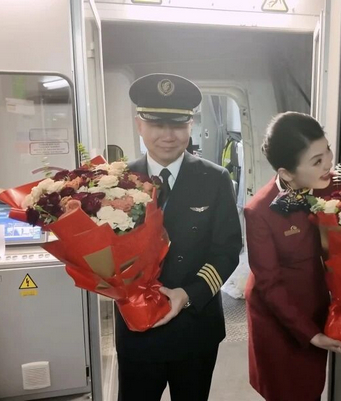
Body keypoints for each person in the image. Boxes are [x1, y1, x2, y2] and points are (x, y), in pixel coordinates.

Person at [116, 73, 243, 401]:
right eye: (156, 124)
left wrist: (187, 294)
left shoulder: (215, 179)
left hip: (194, 325)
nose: (168, 135)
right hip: (137, 327)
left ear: (191, 125)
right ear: (139, 125)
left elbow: (228, 249)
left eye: (177, 124)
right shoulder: (118, 180)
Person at [244, 112, 341, 401]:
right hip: (278, 315)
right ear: (286, 174)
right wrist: (310, 334)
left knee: (310, 388)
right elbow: (269, 284)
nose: (328, 164)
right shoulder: (259, 211)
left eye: (327, 151)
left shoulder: (332, 184)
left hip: (315, 303)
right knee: (286, 390)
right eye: (317, 161)